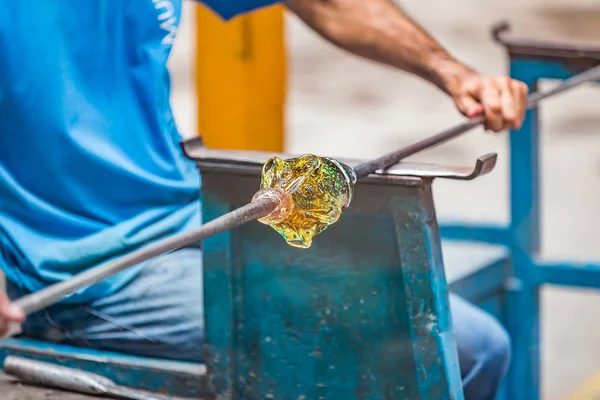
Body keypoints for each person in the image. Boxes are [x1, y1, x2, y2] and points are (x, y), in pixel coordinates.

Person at [0, 0, 527, 399]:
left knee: (475, 343)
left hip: (186, 221)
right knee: (463, 351)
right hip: (83, 277)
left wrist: (452, 71)